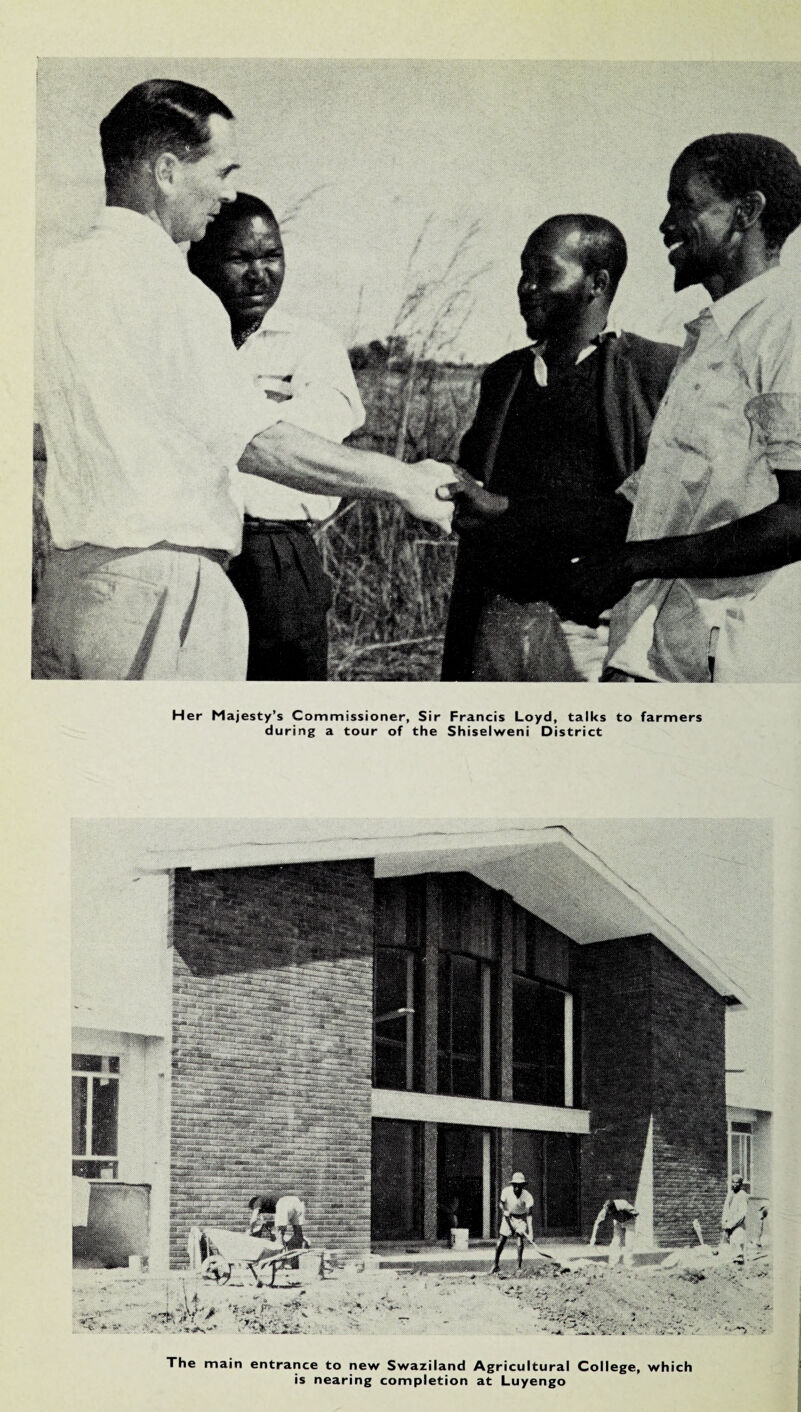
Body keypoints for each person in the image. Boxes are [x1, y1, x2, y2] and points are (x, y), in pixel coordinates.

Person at [33, 78, 455, 680]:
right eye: (222, 171)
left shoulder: (51, 275)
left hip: (70, 588)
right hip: (162, 589)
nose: (228, 193)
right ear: (168, 171)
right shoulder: (170, 289)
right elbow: (256, 442)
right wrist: (406, 482)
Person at [560, 134, 801, 682]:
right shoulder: (714, 335)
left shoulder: (786, 326)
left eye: (683, 204)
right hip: (661, 655)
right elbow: (652, 501)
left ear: (747, 211)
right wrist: (501, 510)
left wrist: (633, 562)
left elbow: (798, 515)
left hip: (734, 667)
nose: (665, 224)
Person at [441, 214, 678, 681]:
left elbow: (653, 506)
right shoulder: (505, 378)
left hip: (596, 632)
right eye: (523, 272)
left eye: (545, 273)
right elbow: (476, 486)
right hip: (500, 618)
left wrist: (504, 509)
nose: (526, 287)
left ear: (597, 284)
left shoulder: (656, 373)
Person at [187, 193, 364, 680]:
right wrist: (262, 412)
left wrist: (210, 432)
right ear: (199, 262)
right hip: (188, 550)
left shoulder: (313, 344)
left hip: (276, 556)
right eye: (239, 258)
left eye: (272, 256)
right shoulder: (180, 342)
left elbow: (314, 433)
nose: (259, 274)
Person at [491, 1171, 535, 1274]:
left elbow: (529, 1215)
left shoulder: (527, 1196)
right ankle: (495, 1265)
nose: (517, 1188)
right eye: (515, 1185)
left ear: (523, 1186)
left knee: (520, 1239)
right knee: (501, 1241)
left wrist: (531, 1233)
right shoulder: (506, 1192)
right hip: (508, 1217)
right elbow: (501, 1203)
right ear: (512, 1184)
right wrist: (504, 1210)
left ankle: (518, 1268)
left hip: (521, 1219)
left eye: (520, 1185)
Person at [589, 1197, 638, 1268]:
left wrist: (628, 1217)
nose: (610, 1213)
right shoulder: (605, 1210)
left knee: (629, 1244)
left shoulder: (623, 1204)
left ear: (615, 1207)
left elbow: (636, 1214)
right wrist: (593, 1238)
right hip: (618, 1223)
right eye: (609, 1212)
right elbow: (597, 1222)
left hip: (629, 1222)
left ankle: (629, 1265)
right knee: (615, 1243)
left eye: (612, 1211)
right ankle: (612, 1264)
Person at [720, 1173, 748, 1264]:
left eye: (737, 1182)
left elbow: (742, 1213)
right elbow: (725, 1209)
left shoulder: (742, 1195)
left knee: (738, 1241)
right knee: (729, 1244)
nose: (735, 1184)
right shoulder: (730, 1194)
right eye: (733, 1182)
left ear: (741, 1184)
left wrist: (731, 1224)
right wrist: (724, 1221)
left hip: (737, 1225)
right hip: (729, 1225)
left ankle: (740, 1261)